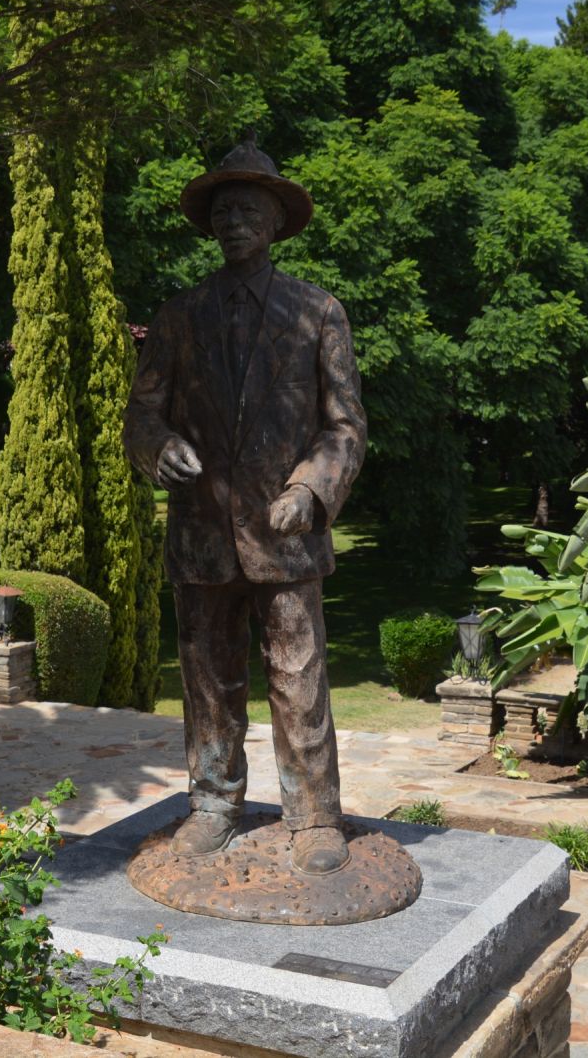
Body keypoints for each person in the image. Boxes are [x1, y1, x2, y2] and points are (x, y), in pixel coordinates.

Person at [123, 140, 367, 875]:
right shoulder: (178, 316)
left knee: (298, 671)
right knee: (207, 675)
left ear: (273, 222)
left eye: (248, 210)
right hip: (201, 533)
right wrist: (155, 446)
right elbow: (142, 414)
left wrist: (310, 489)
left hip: (284, 534)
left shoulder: (317, 312)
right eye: (223, 211)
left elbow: (346, 425)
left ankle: (316, 815)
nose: (234, 222)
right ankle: (214, 803)